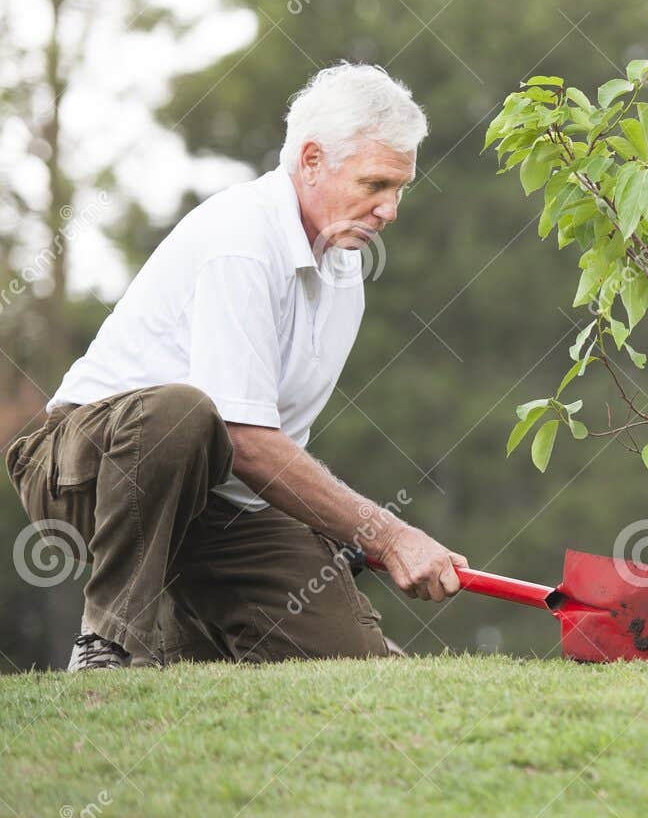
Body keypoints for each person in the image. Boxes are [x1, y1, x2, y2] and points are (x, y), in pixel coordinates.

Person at [6, 63, 467, 671]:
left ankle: (181, 637)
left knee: (353, 666)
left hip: (221, 497)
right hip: (80, 468)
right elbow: (241, 437)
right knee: (183, 413)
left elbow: (271, 447)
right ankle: (109, 646)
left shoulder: (346, 270)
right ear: (309, 161)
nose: (390, 210)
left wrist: (326, 540)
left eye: (399, 188)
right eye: (375, 184)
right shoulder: (242, 241)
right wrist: (385, 533)